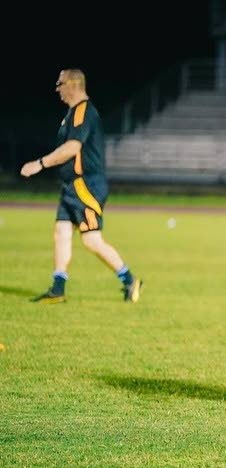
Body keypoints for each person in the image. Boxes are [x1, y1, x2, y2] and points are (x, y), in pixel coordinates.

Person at [20, 69, 142, 304]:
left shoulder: (82, 112)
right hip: (72, 186)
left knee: (91, 240)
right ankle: (58, 288)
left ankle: (130, 280)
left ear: (74, 84)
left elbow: (72, 148)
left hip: (85, 186)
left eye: (60, 83)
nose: (57, 89)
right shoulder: (72, 113)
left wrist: (40, 163)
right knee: (61, 232)